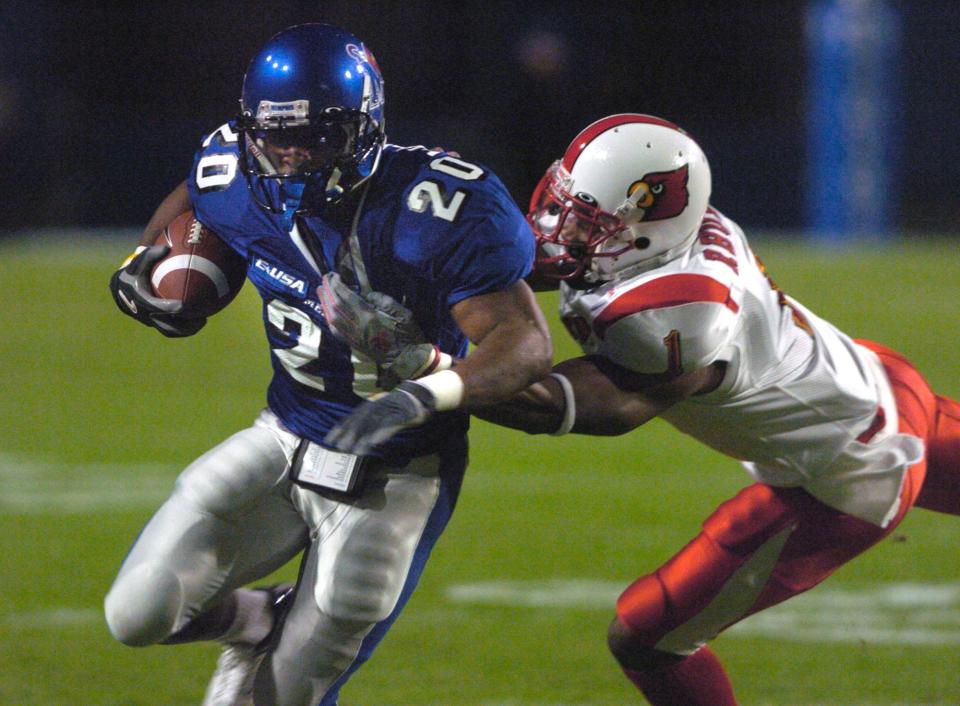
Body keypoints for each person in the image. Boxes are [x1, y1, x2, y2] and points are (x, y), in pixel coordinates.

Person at [327, 113, 960, 705]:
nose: (561, 230)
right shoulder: (654, 240)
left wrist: (421, 364)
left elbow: (566, 405)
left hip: (854, 466)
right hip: (877, 384)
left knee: (646, 638)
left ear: (646, 228)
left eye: (587, 221)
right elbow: (538, 262)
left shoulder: (676, 313)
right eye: (564, 206)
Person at [104, 23, 551, 706]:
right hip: (285, 436)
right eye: (272, 136)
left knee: (279, 699)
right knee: (135, 613)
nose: (288, 156)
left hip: (398, 472)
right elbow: (196, 193)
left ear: (364, 128)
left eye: (313, 136)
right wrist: (147, 265)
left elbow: (523, 343)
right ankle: (256, 622)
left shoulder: (440, 206)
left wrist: (420, 382)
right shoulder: (234, 170)